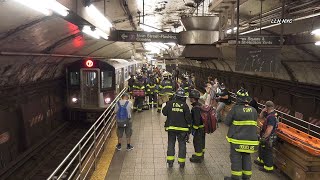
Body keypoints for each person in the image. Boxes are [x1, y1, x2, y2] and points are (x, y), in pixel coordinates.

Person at [224, 88, 259, 180]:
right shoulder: (254, 110)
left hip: (237, 140)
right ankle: (246, 176)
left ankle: (236, 177)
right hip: (251, 141)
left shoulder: (235, 109)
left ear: (238, 98)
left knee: (235, 158)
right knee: (247, 157)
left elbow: (227, 122)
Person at [162, 88, 191, 168]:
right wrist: (189, 128)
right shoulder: (185, 106)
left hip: (171, 128)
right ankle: (181, 162)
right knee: (182, 144)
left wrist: (167, 103)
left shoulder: (170, 103)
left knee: (171, 143)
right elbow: (188, 118)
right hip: (183, 129)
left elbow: (164, 113)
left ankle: (170, 161)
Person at [254, 101, 278, 173]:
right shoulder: (270, 114)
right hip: (266, 136)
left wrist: (264, 138)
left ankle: (268, 167)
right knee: (262, 149)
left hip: (269, 137)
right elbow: (260, 117)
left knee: (267, 151)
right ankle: (261, 161)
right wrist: (262, 111)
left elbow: (269, 129)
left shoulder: (271, 117)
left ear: (266, 107)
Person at [189, 89, 206, 163]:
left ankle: (198, 158)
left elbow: (196, 121)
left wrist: (194, 130)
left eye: (190, 97)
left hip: (198, 129)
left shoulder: (195, 108)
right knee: (202, 141)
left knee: (197, 142)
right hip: (203, 128)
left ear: (192, 98)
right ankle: (201, 154)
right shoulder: (200, 105)